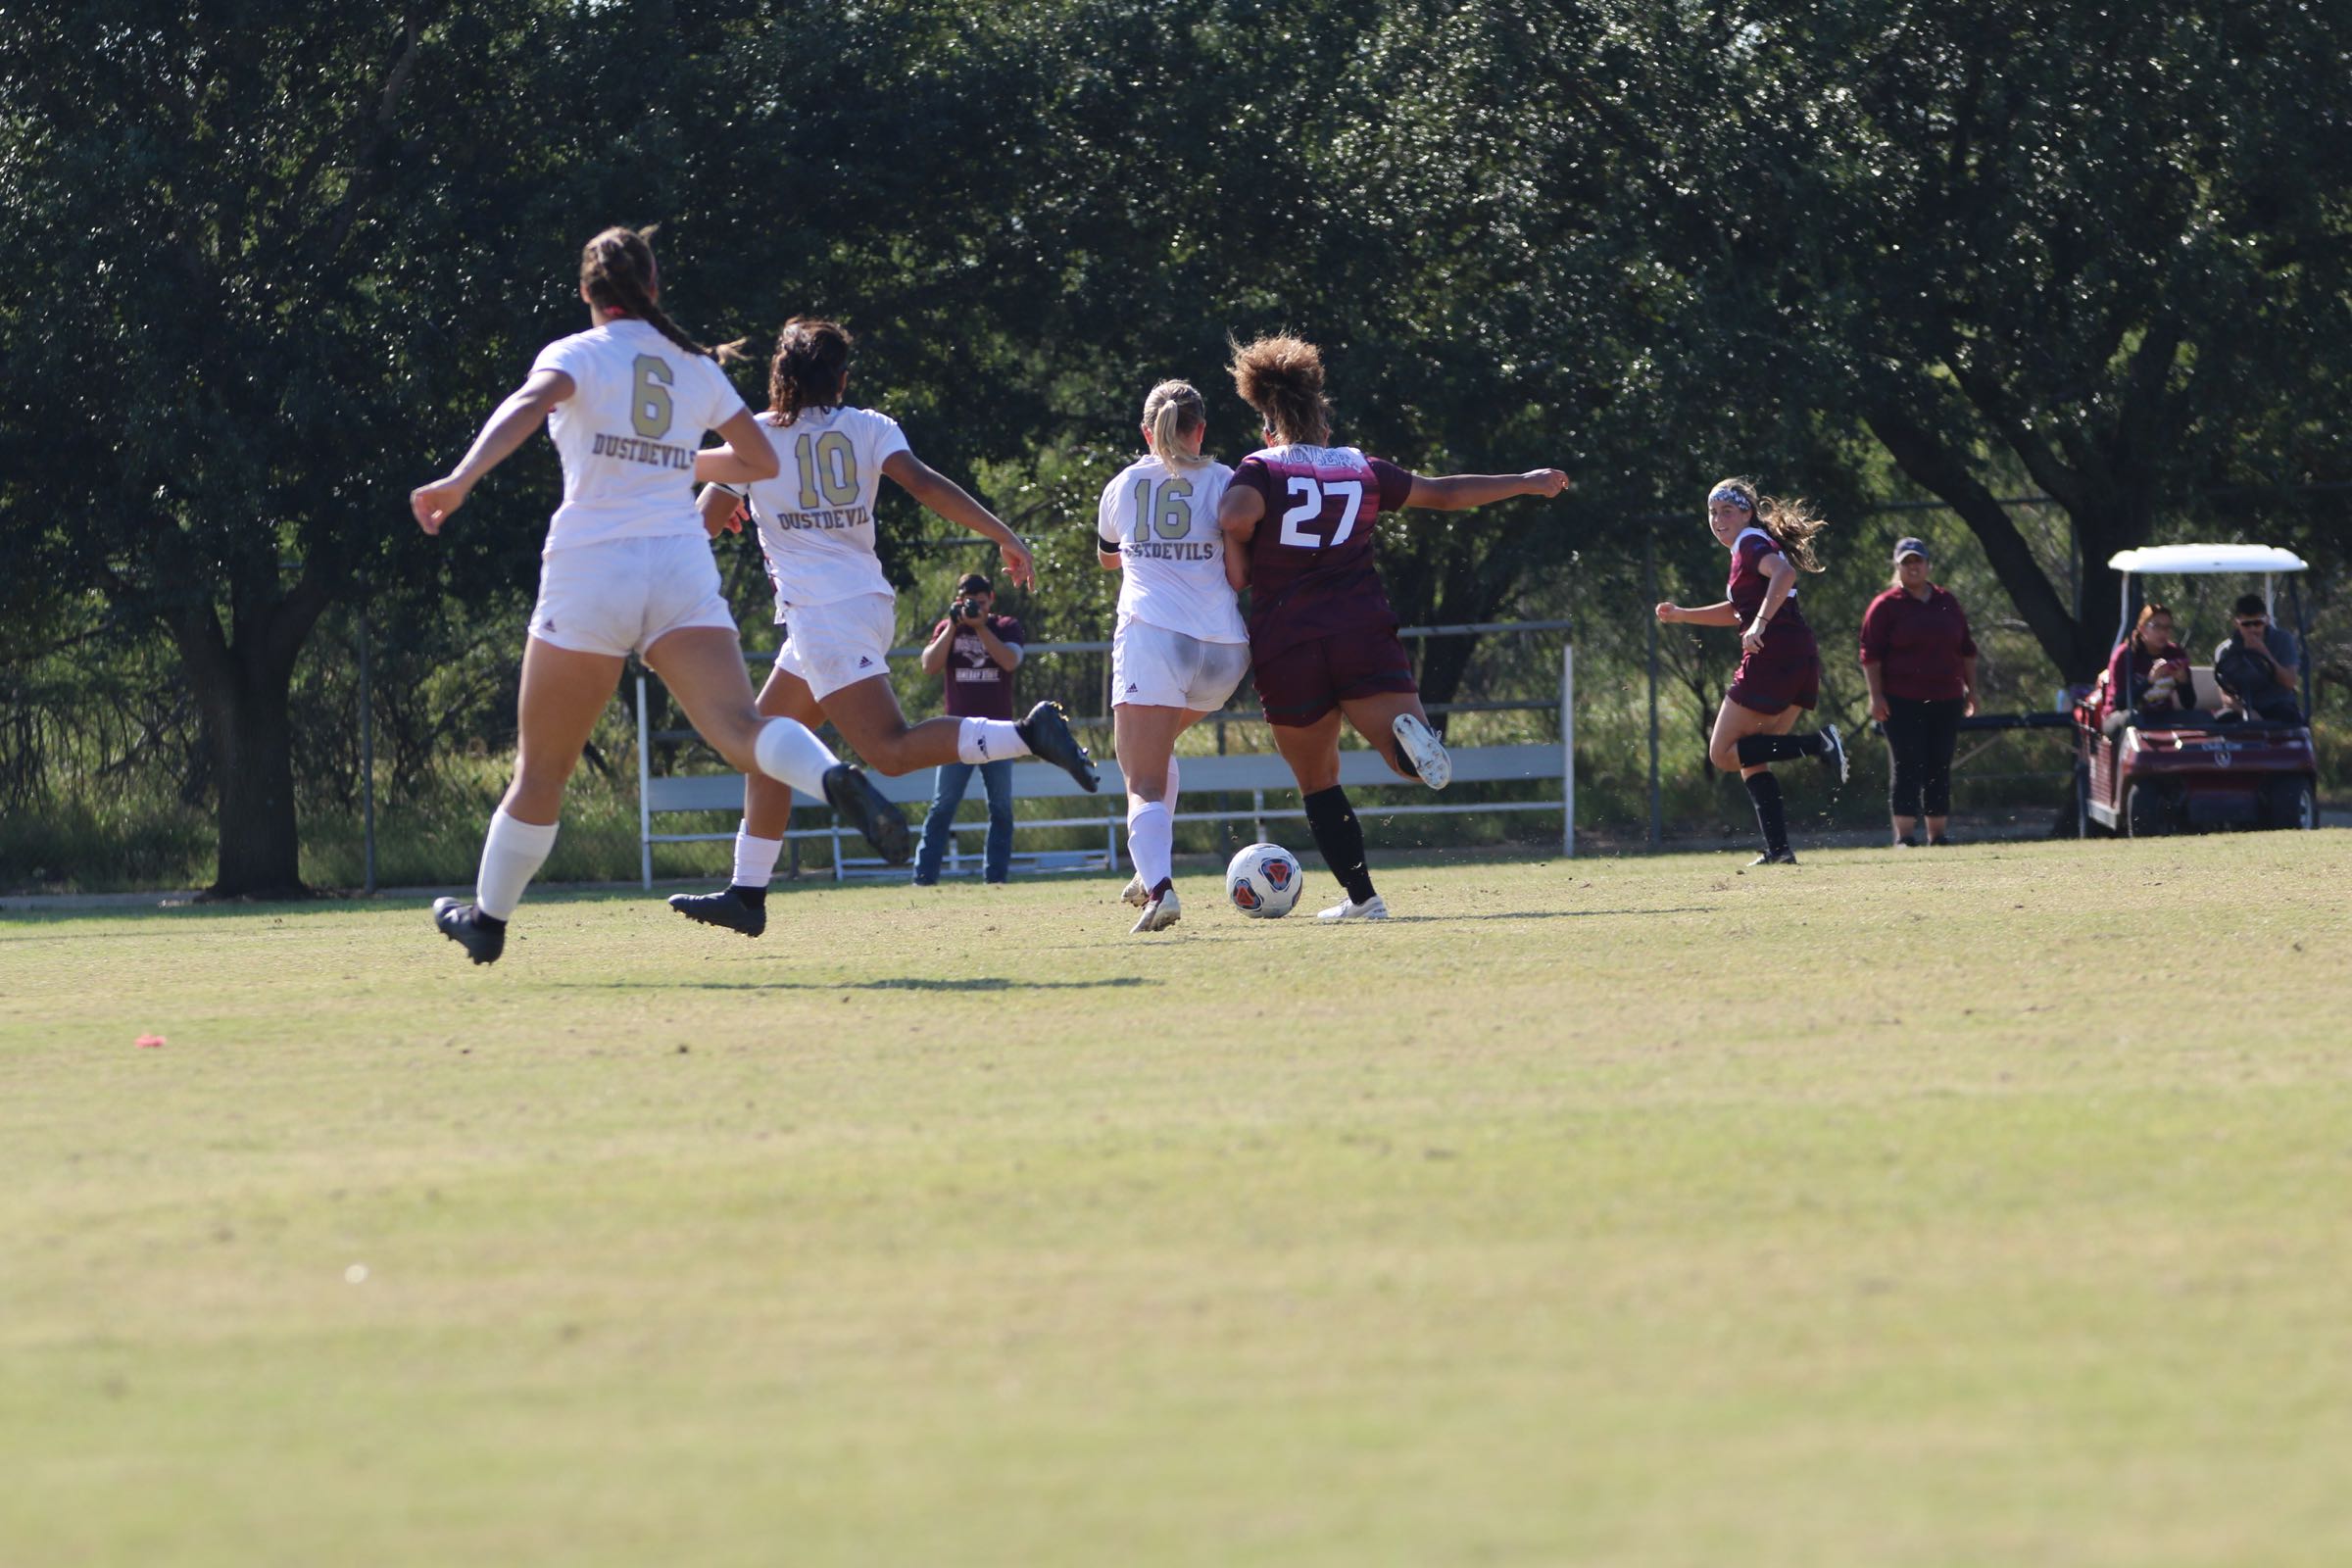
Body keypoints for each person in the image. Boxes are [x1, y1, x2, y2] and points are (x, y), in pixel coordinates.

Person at [408, 228, 906, 965]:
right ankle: (828, 775)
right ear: (654, 288)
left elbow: (526, 404)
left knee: (542, 771)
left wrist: (460, 478)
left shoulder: (578, 353)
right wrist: (678, 458)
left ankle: (486, 919)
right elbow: (759, 458)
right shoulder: (693, 366)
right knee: (743, 728)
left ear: (588, 294)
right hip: (678, 568)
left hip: (591, 568)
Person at [663, 318, 1096, 937]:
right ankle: (746, 893)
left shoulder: (754, 437)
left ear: (780, 375)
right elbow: (923, 482)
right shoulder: (868, 426)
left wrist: (717, 507)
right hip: (859, 602)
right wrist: (1001, 532)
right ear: (841, 378)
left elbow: (700, 526)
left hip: (823, 615)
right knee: (765, 747)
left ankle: (1028, 735)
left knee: (887, 752)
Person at [1216, 335, 1568, 921]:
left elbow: (1234, 516)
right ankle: (1409, 739)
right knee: (1402, 762)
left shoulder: (1262, 466)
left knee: (1318, 781)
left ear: (1270, 427)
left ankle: (1365, 900)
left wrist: (1241, 542)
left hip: (1289, 640)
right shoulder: (1360, 468)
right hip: (1362, 629)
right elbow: (1446, 493)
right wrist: (1526, 480)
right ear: (1323, 426)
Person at [1097, 380, 1250, 933]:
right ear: (1201, 429)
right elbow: (1241, 564)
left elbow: (1109, 559)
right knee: (1156, 755)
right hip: (1226, 653)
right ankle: (1149, 868)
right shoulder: (1228, 480)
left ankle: (1159, 889)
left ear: (1146, 430)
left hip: (1155, 639)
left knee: (1139, 776)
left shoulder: (1122, 484)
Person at [1654, 477, 1849, 865]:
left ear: (1747, 512)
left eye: (1727, 510)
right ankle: (1779, 850)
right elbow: (1735, 612)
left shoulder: (1749, 541)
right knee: (1750, 757)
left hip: (1773, 652)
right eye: (1713, 512)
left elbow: (1784, 575)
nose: (1718, 519)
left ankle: (1820, 744)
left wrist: (1759, 623)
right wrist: (1682, 616)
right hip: (1798, 654)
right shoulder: (1748, 548)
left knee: (1723, 754)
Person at [909, 572, 1038, 884]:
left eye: (980, 603)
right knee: (942, 806)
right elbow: (928, 665)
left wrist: (981, 627)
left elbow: (1010, 661)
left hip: (998, 732)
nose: (974, 609)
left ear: (991, 599)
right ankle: (924, 877)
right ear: (958, 601)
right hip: (957, 733)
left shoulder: (1006, 626)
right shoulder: (948, 627)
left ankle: (995, 877)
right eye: (969, 603)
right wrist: (953, 626)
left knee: (1001, 807)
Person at [1859, 537, 1979, 846]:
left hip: (1947, 698)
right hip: (1901, 700)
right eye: (1906, 562)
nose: (1913, 567)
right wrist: (1876, 696)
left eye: (1918, 561)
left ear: (1927, 565)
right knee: (1908, 763)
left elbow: (1966, 649)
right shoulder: (1885, 606)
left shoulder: (1946, 601)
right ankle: (1906, 836)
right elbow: (1870, 655)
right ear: (1897, 567)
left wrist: (1972, 691)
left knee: (1939, 763)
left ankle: (1937, 835)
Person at [2101, 603, 2198, 735]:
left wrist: (2183, 681)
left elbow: (2189, 704)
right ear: (2142, 629)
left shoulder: (2175, 654)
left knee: (2202, 718)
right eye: (2156, 627)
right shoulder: (2125, 655)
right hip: (2119, 718)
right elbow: (2120, 703)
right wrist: (2149, 681)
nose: (2163, 632)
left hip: (2161, 716)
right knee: (2132, 718)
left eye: (2167, 627)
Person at [2211, 592, 2303, 723]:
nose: (2253, 629)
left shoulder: (2282, 640)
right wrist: (2246, 712)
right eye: (2246, 624)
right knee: (2221, 721)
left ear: (2266, 620)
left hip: (2278, 704)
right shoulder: (2226, 651)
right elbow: (2226, 695)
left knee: (2290, 717)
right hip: (2244, 707)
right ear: (2236, 624)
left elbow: (2290, 682)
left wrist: (2264, 653)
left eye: (2257, 623)